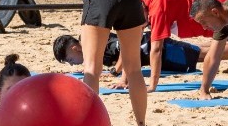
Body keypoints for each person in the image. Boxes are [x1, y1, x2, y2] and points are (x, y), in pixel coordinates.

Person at [138, 0, 228, 91]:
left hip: (210, 9)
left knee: (223, 44)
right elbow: (131, 44)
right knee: (216, 44)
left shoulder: (157, 9)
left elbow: (157, 50)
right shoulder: (142, 0)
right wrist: (123, 79)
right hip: (210, 2)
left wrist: (152, 86)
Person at [52, 31, 219, 90]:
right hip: (152, 47)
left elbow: (125, 48)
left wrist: (115, 72)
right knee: (200, 50)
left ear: (74, 48)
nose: (71, 63)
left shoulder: (94, 45)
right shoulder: (90, 45)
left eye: (69, 59)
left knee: (201, 54)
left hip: (155, 49)